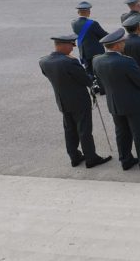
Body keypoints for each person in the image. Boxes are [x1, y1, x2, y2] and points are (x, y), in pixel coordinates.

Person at [91, 28, 140, 172]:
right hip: (132, 102)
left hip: (114, 102)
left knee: (121, 132)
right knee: (138, 132)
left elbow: (100, 81)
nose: (124, 44)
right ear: (117, 45)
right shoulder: (126, 61)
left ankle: (125, 160)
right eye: (122, 42)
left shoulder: (97, 60)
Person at [39, 34, 112, 168]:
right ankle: (91, 158)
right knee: (84, 130)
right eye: (71, 45)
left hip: (62, 101)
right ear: (62, 45)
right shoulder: (70, 62)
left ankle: (74, 157)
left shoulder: (44, 61)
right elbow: (86, 80)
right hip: (79, 101)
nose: (72, 49)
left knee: (70, 130)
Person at [72, 1, 108, 79]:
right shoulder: (93, 23)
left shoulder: (73, 23)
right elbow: (104, 35)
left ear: (78, 12)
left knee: (89, 72)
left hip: (83, 52)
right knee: (99, 73)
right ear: (89, 12)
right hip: (96, 52)